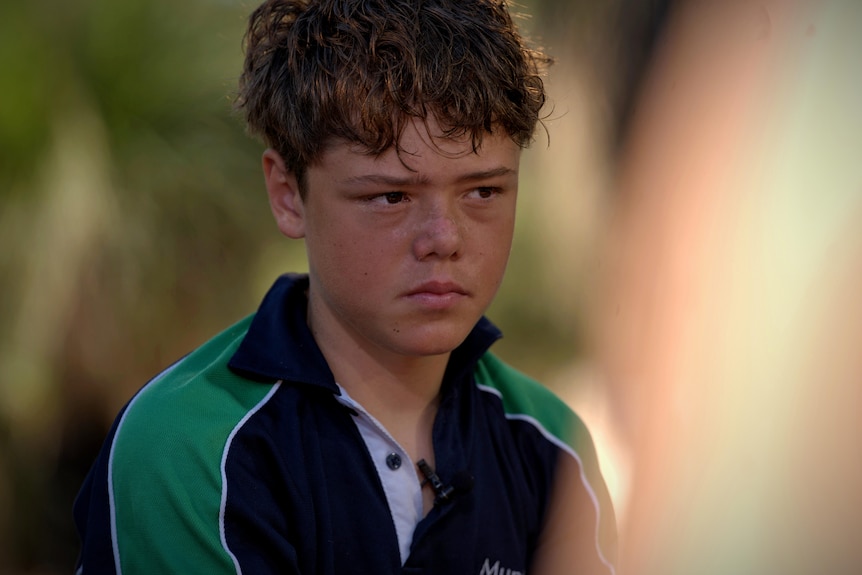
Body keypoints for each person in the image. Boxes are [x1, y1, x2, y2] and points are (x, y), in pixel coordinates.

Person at [73, 0, 617, 573]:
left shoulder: (555, 449)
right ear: (288, 194)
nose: (444, 238)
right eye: (391, 197)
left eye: (482, 192)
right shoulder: (188, 448)